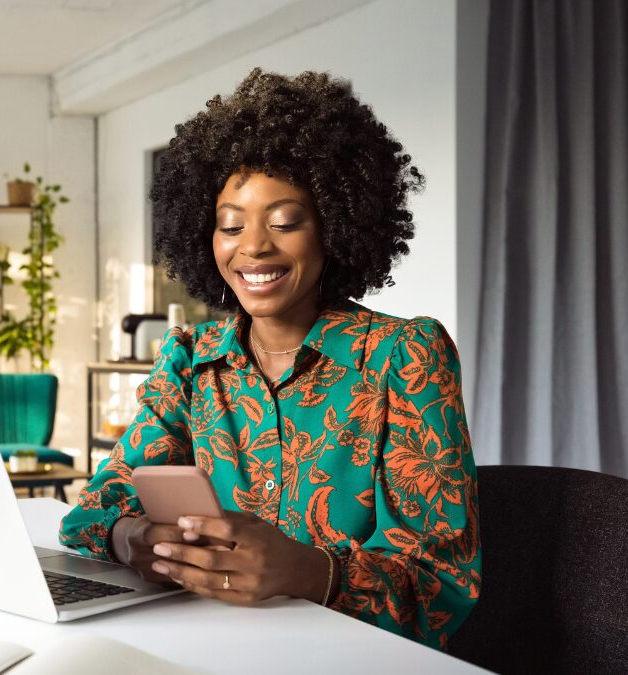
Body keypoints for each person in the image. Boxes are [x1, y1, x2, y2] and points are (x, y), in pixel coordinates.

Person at [59, 69, 480, 651]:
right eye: (230, 225)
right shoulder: (189, 360)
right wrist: (134, 537)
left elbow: (443, 586)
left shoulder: (403, 358)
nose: (253, 246)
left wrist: (306, 571)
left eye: (284, 222)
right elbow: (91, 512)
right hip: (209, 645)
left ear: (334, 227)